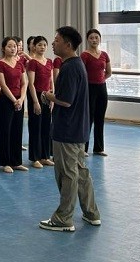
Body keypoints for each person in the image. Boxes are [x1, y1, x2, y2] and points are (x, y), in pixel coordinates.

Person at [39, 26, 101, 232]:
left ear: (67, 44)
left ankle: (63, 218)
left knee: (67, 174)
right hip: (78, 128)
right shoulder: (77, 64)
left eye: (56, 40)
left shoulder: (69, 68)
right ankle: (91, 213)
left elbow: (65, 100)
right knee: (80, 172)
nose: (53, 43)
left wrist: (48, 96)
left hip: (67, 130)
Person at [0, 37, 28, 173]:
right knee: (6, 131)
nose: (13, 48)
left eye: (14, 46)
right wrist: (14, 100)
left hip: (20, 100)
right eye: (9, 46)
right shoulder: (0, 64)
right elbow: (3, 85)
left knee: (17, 130)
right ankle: (6, 162)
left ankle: (16, 162)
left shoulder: (20, 64)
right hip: (6, 101)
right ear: (3, 48)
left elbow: (24, 83)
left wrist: (21, 99)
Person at [82, 28, 111, 156]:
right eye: (91, 38)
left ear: (100, 39)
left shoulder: (104, 54)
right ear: (87, 40)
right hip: (89, 88)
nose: (94, 40)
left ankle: (99, 148)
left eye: (96, 37)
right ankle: (83, 148)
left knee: (100, 118)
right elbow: (82, 73)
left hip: (102, 88)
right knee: (88, 118)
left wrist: (101, 80)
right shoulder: (85, 55)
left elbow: (108, 72)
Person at [26, 36, 55, 168]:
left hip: (47, 95)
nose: (42, 47)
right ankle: (35, 157)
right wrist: (35, 102)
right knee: (35, 126)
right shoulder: (32, 62)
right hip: (36, 95)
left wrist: (52, 98)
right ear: (34, 47)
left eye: (44, 45)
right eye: (39, 45)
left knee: (46, 126)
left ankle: (45, 156)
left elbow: (51, 81)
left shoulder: (49, 61)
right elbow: (31, 83)